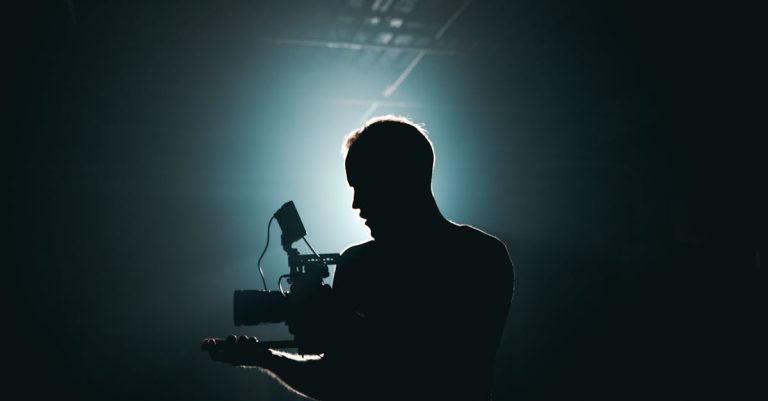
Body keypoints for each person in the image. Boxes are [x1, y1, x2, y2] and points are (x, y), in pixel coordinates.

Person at [205, 115, 515, 401]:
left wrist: (337, 321)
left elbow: (439, 365)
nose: (356, 204)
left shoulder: (480, 258)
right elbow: (338, 380)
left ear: (402, 178)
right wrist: (265, 359)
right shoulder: (480, 254)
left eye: (364, 186)